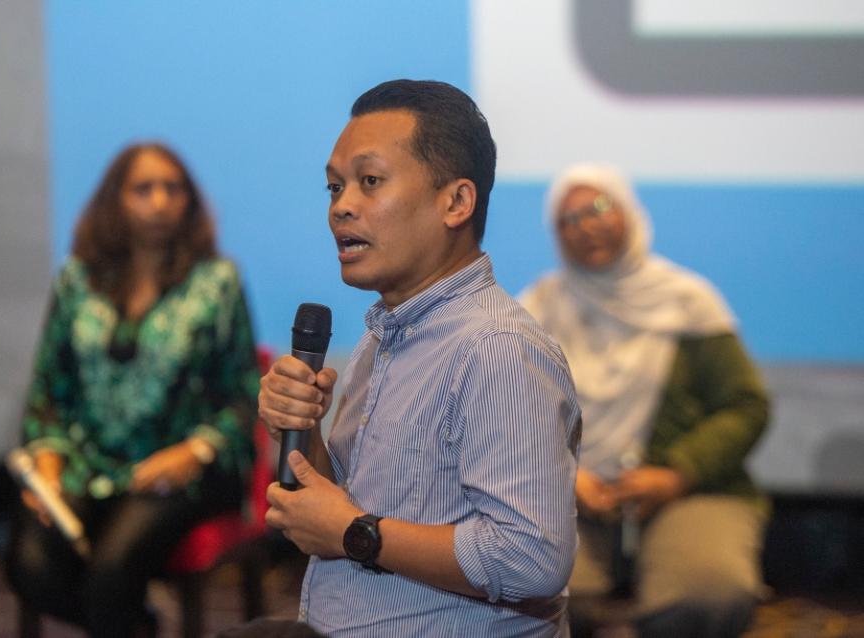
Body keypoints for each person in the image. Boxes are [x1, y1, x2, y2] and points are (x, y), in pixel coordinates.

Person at [258, 79, 582, 637]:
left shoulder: (495, 349)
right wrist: (302, 427)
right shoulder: (387, 333)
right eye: (335, 187)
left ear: (456, 202)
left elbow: (531, 559)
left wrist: (356, 532)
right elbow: (346, 505)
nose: (341, 208)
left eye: (370, 181)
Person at [4, 143, 260, 637]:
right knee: (29, 564)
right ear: (115, 200)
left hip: (184, 469)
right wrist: (50, 466)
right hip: (86, 463)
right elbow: (48, 390)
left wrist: (194, 450)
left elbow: (243, 392)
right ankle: (137, 627)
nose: (160, 201)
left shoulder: (218, 282)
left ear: (190, 201)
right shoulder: (76, 280)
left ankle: (121, 619)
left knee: (110, 573)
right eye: (144, 189)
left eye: (173, 188)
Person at [518, 164, 770, 638]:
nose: (585, 227)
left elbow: (745, 405)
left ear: (629, 213)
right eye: (567, 220)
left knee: (708, 593)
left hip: (685, 487)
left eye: (596, 209)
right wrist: (565, 473)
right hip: (563, 488)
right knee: (527, 593)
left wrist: (677, 472)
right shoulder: (538, 307)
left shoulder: (688, 301)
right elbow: (508, 414)